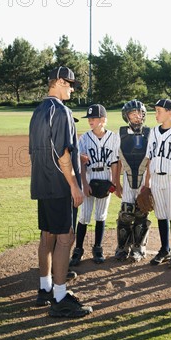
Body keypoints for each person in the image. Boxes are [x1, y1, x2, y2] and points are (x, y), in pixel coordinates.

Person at [29, 66, 92, 318]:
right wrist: (74, 185)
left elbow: (37, 151)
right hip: (60, 186)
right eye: (68, 83)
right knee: (65, 237)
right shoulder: (62, 111)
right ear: (56, 82)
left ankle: (44, 288)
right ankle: (60, 297)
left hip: (42, 184)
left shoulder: (37, 111)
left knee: (48, 235)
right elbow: (63, 153)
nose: (72, 88)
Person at [69, 104, 119, 266]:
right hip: (89, 176)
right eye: (89, 118)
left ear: (103, 120)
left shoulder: (113, 137)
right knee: (84, 216)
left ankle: (98, 248)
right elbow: (81, 164)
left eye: (94, 118)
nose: (90, 120)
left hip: (105, 175)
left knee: (101, 215)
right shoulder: (84, 138)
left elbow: (115, 162)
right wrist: (84, 184)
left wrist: (114, 182)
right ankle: (78, 249)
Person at [144, 99, 171, 269]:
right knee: (161, 216)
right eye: (155, 111)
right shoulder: (154, 131)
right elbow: (150, 158)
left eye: (159, 111)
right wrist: (147, 181)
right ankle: (164, 249)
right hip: (156, 179)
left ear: (170, 112)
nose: (156, 114)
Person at [114, 100, 151, 262]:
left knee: (141, 211)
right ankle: (122, 247)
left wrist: (148, 183)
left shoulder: (150, 133)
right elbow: (117, 160)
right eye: (132, 113)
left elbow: (151, 159)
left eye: (139, 113)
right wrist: (116, 182)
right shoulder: (121, 133)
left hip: (144, 177)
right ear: (126, 116)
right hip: (127, 177)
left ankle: (139, 247)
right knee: (126, 212)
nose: (137, 116)